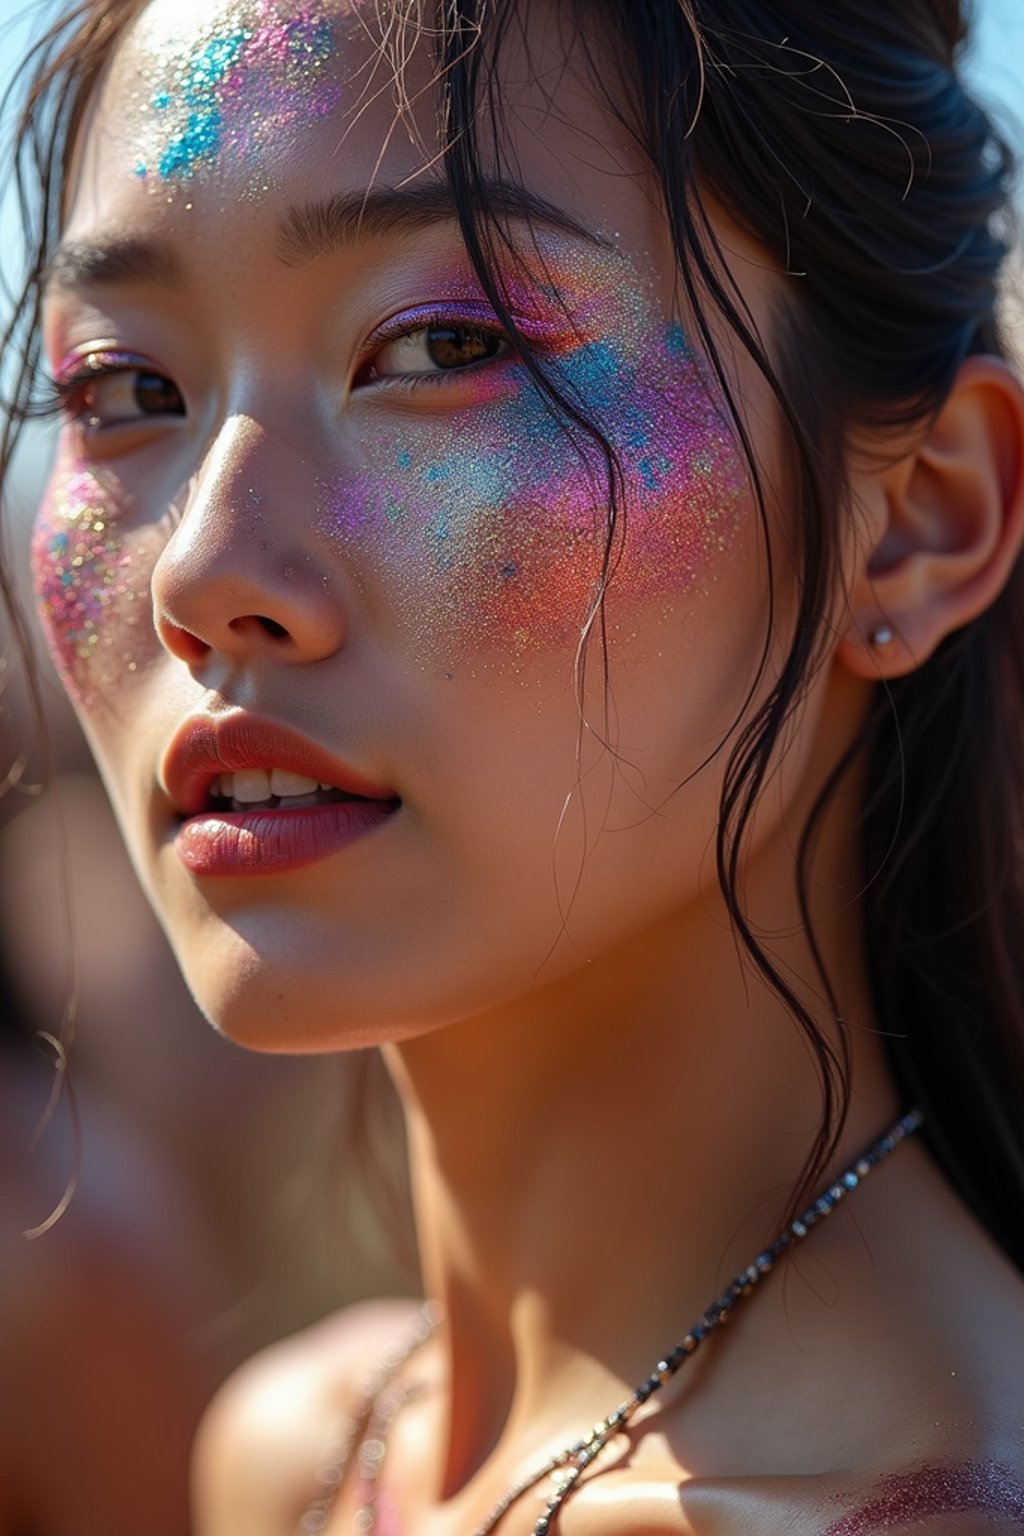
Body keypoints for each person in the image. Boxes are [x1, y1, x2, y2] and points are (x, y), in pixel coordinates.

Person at [2, 0, 1024, 1532]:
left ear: (919, 516)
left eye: (442, 345)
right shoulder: (303, 1454)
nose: (203, 569)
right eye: (126, 390)